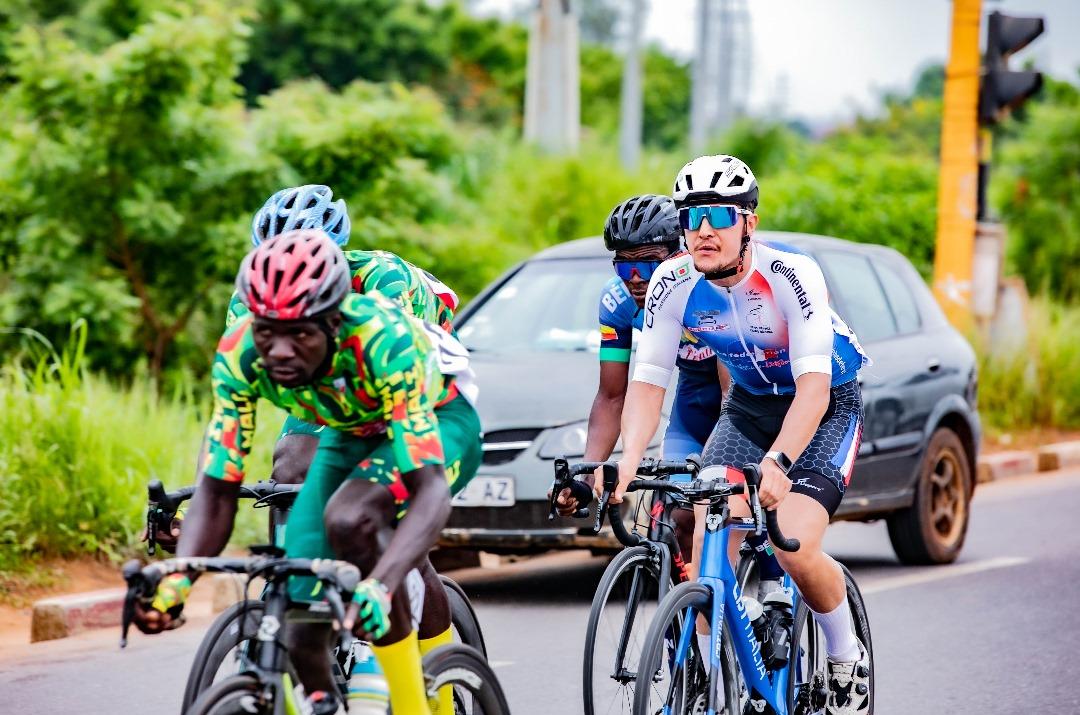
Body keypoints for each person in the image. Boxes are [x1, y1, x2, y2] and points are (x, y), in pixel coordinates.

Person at [134, 230, 481, 715]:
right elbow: (217, 490)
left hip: (439, 417)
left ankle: (415, 704)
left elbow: (429, 494)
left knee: (352, 519)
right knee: (300, 621)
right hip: (349, 423)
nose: (278, 351)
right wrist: (177, 581)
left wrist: (380, 584)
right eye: (267, 331)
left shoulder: (383, 340)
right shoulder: (240, 352)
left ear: (337, 321)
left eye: (300, 333)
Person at [614, 155, 872, 714]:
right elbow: (648, 383)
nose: (703, 229)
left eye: (718, 215)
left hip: (823, 407)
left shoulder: (791, 275)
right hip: (749, 408)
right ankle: (726, 676)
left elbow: (814, 390)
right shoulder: (671, 282)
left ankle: (846, 659)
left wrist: (779, 462)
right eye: (691, 215)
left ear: (747, 223)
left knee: (794, 543)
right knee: (710, 537)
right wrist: (629, 460)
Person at [554, 194, 729, 572]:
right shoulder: (617, 303)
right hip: (695, 395)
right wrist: (588, 471)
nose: (635, 279)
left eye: (648, 264)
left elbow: (733, 396)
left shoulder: (709, 289)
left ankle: (772, 590)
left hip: (742, 395)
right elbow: (612, 396)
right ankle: (693, 624)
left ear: (677, 255)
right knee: (678, 519)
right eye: (624, 266)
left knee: (741, 511)